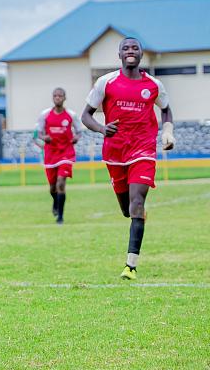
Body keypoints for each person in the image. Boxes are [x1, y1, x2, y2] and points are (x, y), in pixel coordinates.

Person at [81, 37, 175, 280]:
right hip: (115, 153)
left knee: (137, 203)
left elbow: (165, 109)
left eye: (135, 48)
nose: (130, 51)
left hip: (143, 150)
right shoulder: (106, 82)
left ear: (141, 54)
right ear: (119, 54)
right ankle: (136, 215)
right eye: (126, 48)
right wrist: (102, 129)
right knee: (127, 209)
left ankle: (130, 266)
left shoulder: (153, 85)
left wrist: (167, 131)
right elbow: (86, 115)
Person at [36, 88, 81, 224]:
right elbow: (39, 133)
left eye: (60, 96)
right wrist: (44, 137)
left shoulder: (71, 115)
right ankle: (55, 201)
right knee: (52, 187)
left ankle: (60, 217)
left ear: (64, 98)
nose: (57, 98)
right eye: (55, 96)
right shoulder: (45, 115)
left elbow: (79, 132)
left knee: (60, 183)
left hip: (66, 153)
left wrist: (76, 138)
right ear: (52, 98)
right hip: (50, 154)